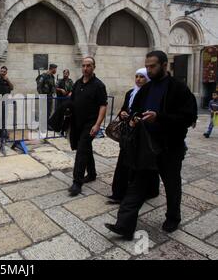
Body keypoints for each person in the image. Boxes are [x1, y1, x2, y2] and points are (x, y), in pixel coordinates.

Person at [105, 51, 198, 240]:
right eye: (146, 66)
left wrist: (159, 117)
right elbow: (135, 111)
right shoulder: (146, 89)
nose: (149, 70)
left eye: (152, 66)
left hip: (170, 147)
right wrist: (132, 118)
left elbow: (188, 117)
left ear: (164, 65)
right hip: (146, 147)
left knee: (172, 184)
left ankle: (173, 217)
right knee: (137, 185)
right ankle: (124, 225)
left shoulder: (178, 88)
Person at [108, 68, 159, 204]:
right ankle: (118, 192)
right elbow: (125, 108)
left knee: (144, 164)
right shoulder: (130, 93)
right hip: (129, 133)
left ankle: (150, 191)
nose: (138, 79)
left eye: (142, 77)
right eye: (136, 76)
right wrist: (123, 113)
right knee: (123, 162)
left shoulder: (151, 94)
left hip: (143, 134)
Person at [69, 57, 108, 197]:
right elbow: (72, 100)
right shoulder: (77, 83)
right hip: (77, 123)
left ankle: (77, 182)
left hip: (90, 124)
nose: (85, 68)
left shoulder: (99, 85)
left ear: (94, 67)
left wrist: (97, 124)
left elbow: (103, 106)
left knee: (81, 150)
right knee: (85, 148)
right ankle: (91, 174)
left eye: (89, 66)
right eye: (84, 65)